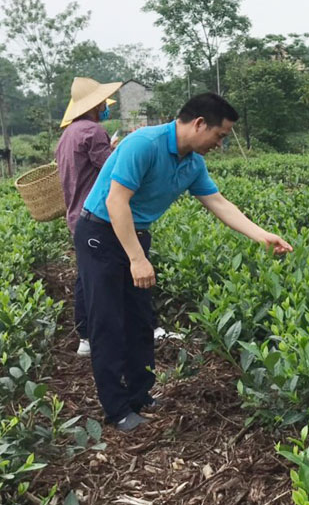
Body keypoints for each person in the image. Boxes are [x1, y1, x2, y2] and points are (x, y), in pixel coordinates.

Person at [76, 93, 293, 432]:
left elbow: (219, 203)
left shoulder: (193, 163)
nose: (219, 144)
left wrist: (262, 235)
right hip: (101, 233)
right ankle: (117, 409)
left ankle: (140, 395)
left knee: (139, 319)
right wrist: (136, 258)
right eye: (219, 136)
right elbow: (116, 201)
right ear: (199, 124)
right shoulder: (143, 144)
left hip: (136, 233)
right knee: (108, 323)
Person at [55, 77, 123, 357]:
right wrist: (120, 150)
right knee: (106, 277)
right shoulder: (93, 132)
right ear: (95, 105)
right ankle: (106, 334)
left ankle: (85, 336)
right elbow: (112, 170)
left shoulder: (68, 134)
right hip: (96, 216)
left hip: (76, 216)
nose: (106, 107)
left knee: (86, 277)